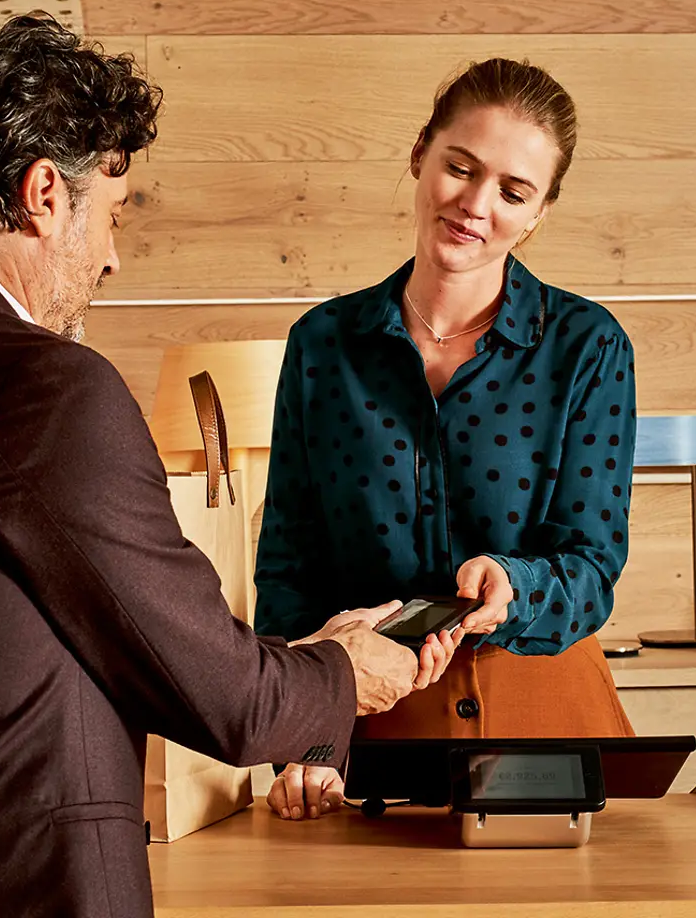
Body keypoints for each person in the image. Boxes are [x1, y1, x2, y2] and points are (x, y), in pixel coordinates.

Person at [0, 17, 421, 917]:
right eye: (110, 215)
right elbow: (226, 702)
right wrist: (345, 673)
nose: (110, 255)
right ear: (42, 196)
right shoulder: (44, 390)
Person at [254, 58, 639, 821]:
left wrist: (513, 584)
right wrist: (308, 735)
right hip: (369, 729)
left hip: (547, 725)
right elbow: (290, 570)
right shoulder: (323, 344)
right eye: (459, 168)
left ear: (539, 213)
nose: (475, 204)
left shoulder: (588, 347)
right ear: (419, 156)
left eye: (513, 191)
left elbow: (594, 568)